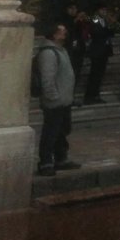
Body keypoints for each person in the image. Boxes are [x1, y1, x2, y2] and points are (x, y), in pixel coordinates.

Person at [36, 23, 80, 176]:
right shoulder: (48, 53)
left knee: (62, 131)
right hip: (55, 101)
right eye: (62, 31)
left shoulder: (62, 51)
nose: (65, 33)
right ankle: (46, 162)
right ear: (54, 35)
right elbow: (47, 79)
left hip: (64, 100)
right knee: (51, 132)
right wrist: (53, 97)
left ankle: (61, 158)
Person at [82, 2, 114, 105]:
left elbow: (111, 33)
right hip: (96, 50)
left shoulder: (105, 20)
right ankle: (89, 96)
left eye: (105, 10)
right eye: (102, 10)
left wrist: (110, 25)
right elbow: (96, 33)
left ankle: (96, 95)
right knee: (94, 74)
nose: (104, 12)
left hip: (104, 50)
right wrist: (107, 28)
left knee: (100, 74)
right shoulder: (94, 19)